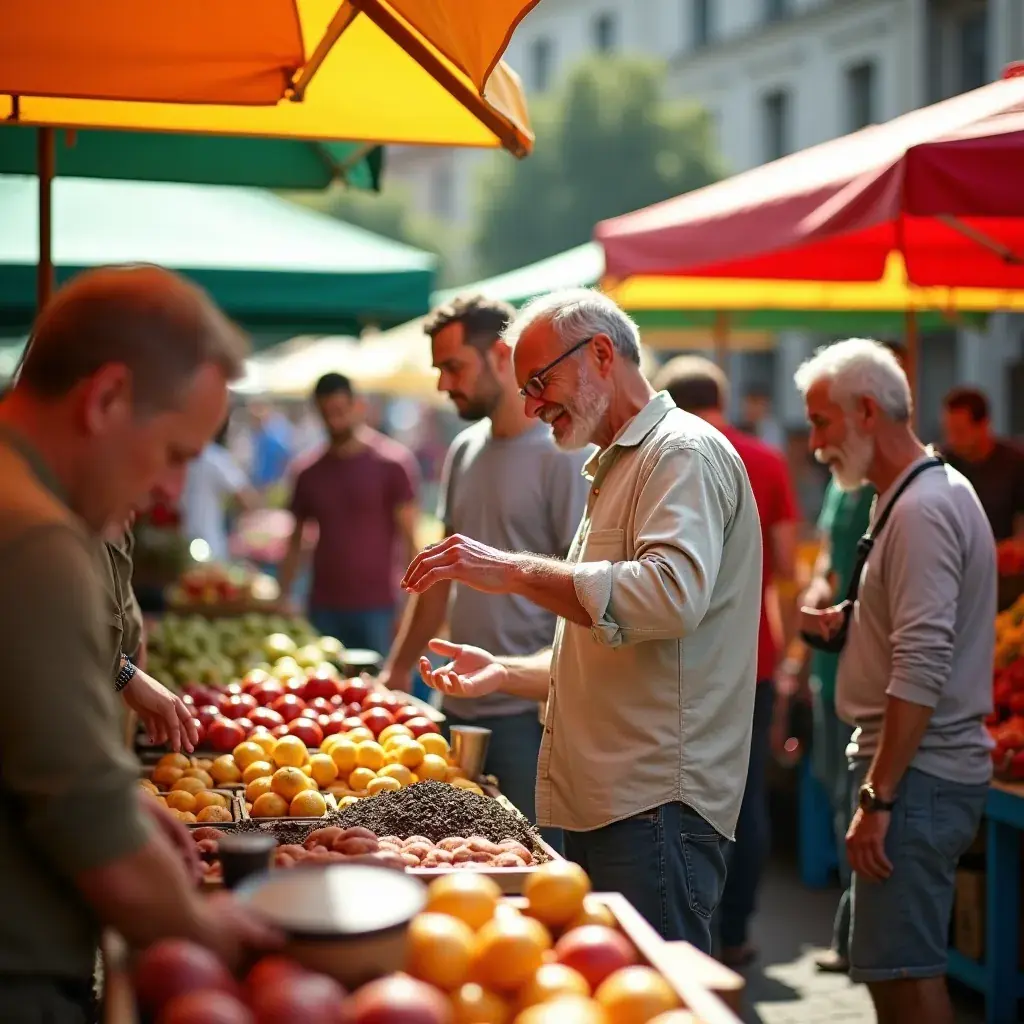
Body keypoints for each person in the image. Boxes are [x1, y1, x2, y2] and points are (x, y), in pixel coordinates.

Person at [404, 289, 763, 950]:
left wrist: (511, 569)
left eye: (539, 382)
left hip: (654, 807)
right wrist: (504, 672)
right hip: (620, 802)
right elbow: (608, 643)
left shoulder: (677, 453)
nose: (532, 403)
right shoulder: (623, 463)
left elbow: (667, 597)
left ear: (602, 354)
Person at [0, 265, 277, 1022]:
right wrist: (217, 932)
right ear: (107, 398)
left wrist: (116, 794)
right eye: (178, 453)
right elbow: (88, 825)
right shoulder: (34, 540)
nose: (168, 492)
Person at [795, 339, 993, 1024]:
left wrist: (878, 798)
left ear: (867, 412)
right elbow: (916, 631)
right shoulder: (908, 495)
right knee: (889, 970)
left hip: (917, 778)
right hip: (915, 774)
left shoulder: (920, 508)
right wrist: (857, 617)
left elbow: (922, 668)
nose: (815, 443)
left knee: (906, 977)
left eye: (822, 423)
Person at [379, 295, 590, 841]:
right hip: (453, 705)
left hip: (531, 716)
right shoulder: (462, 451)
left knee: (530, 862)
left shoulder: (562, 453)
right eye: (440, 370)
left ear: (501, 354)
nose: (444, 385)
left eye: (454, 367)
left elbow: (585, 590)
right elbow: (437, 580)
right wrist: (398, 670)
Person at [653, 356, 799, 967]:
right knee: (747, 798)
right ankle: (735, 931)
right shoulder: (763, 461)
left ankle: (691, 931)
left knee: (684, 796)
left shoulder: (669, 461)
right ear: (723, 395)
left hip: (681, 661)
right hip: (755, 658)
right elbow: (789, 568)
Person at [278, 373, 420, 654]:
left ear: (359, 407)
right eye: (326, 413)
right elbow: (295, 541)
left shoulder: (392, 464)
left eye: (341, 411)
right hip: (322, 605)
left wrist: (410, 605)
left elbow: (409, 539)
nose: (334, 421)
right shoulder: (307, 472)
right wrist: (284, 595)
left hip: (378, 606)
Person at [104, 524, 200, 753]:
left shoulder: (115, 524)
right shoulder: (56, 534)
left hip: (114, 707)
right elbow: (58, 633)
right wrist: (125, 673)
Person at [940, 386, 1024, 543]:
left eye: (960, 432)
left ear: (984, 425)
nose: (952, 440)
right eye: (948, 431)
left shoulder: (1015, 463)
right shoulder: (941, 464)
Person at [182, 421, 259, 563]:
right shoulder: (214, 457)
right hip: (206, 542)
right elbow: (247, 498)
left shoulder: (178, 453)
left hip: (182, 540)